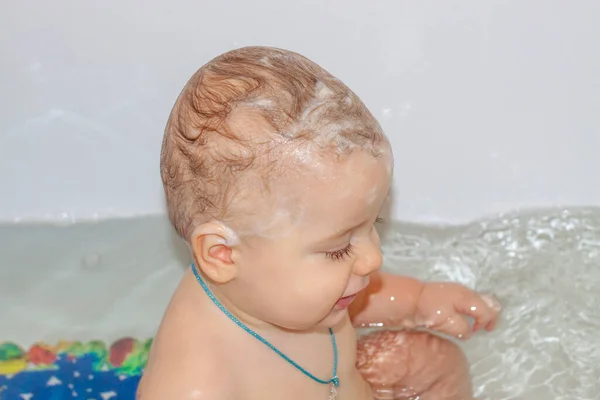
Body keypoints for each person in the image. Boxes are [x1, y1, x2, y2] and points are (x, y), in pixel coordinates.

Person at [138, 46, 500, 400]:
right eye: (339, 248)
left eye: (374, 223)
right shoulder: (195, 385)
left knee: (430, 359)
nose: (373, 257)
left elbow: (357, 301)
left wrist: (418, 300)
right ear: (222, 255)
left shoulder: (295, 290)